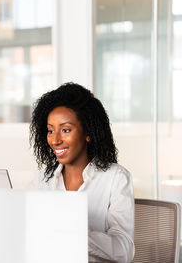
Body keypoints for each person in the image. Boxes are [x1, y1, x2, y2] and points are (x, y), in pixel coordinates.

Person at [29, 82, 134, 262]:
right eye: (50, 131)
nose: (55, 140)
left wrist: (72, 230)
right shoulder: (43, 180)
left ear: (88, 133)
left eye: (65, 130)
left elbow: (124, 251)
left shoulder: (116, 178)